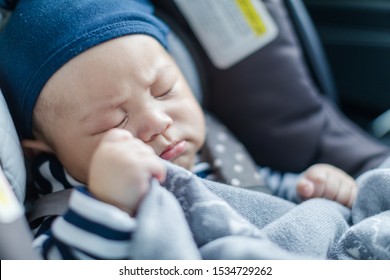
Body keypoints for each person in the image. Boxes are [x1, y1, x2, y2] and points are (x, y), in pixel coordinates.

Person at [0, 0, 360, 259]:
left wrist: (312, 187)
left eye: (164, 90)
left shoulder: (215, 151)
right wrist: (109, 203)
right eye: (114, 121)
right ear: (42, 150)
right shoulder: (66, 211)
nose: (158, 121)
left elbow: (258, 192)